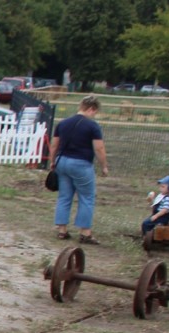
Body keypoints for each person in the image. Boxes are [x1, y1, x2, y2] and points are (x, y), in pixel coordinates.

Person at [49, 95, 109, 244]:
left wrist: (52, 161)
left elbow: (55, 144)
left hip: (62, 162)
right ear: (91, 109)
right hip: (81, 164)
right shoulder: (92, 126)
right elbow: (99, 148)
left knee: (64, 196)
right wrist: (104, 166)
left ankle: (62, 229)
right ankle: (85, 232)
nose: (94, 115)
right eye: (95, 112)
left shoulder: (63, 123)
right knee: (87, 197)